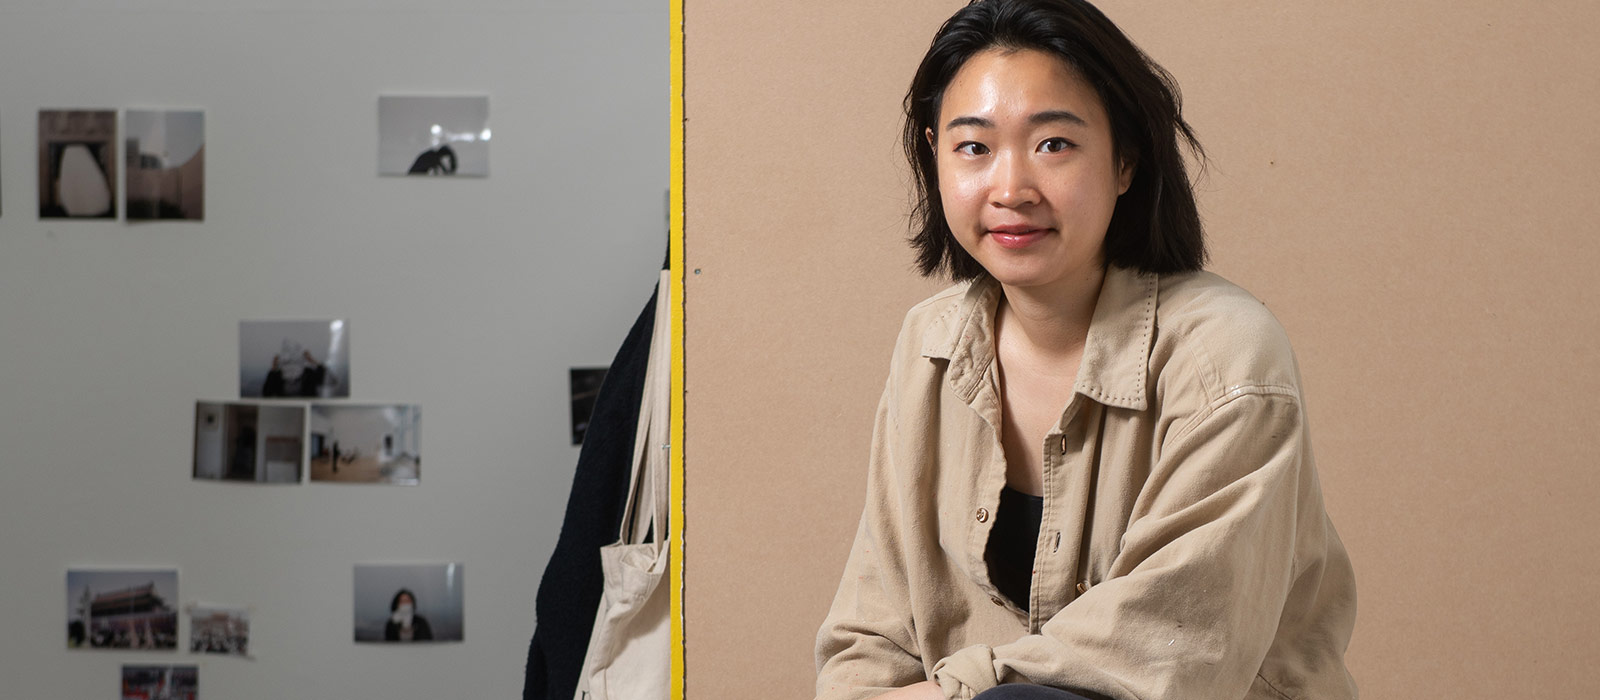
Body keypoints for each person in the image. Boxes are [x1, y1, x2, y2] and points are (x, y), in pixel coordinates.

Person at [812, 2, 1357, 700]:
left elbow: (1169, 651)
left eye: (1054, 145)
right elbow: (871, 629)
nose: (1011, 190)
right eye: (974, 147)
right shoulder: (931, 345)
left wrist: (955, 691)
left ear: (1124, 159)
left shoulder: (1227, 360)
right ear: (934, 155)